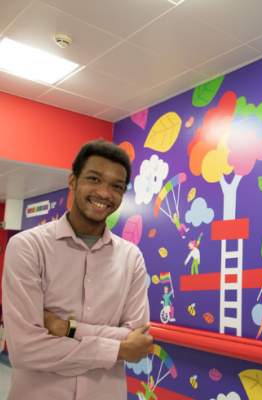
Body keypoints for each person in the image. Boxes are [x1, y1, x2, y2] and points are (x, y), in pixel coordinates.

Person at [2, 139, 152, 400]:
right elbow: (25, 350)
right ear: (73, 181)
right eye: (94, 179)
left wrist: (67, 329)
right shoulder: (27, 246)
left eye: (116, 186)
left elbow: (136, 336)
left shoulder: (131, 257)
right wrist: (117, 348)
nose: (105, 193)